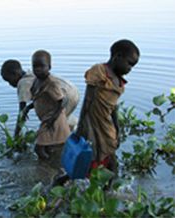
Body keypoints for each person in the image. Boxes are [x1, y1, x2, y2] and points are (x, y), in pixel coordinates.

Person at [54, 39, 140, 186]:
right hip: (92, 124)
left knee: (110, 155)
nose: (130, 69)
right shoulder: (99, 72)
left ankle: (109, 189)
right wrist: (81, 126)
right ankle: (63, 181)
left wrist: (117, 129)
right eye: (129, 64)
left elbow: (113, 107)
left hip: (107, 125)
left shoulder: (118, 82)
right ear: (117, 56)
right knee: (88, 158)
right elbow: (88, 100)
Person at [0, 60, 79, 137]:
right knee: (62, 118)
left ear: (15, 74)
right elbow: (40, 95)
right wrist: (28, 108)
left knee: (50, 126)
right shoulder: (31, 74)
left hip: (64, 97)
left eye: (9, 80)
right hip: (72, 91)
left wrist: (16, 136)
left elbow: (21, 113)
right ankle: (76, 129)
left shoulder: (23, 83)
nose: (10, 84)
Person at [21, 49, 71, 170]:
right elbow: (39, 99)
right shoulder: (36, 81)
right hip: (47, 118)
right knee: (49, 146)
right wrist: (28, 108)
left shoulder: (52, 83)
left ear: (49, 67)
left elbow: (62, 102)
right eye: (35, 66)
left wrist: (53, 118)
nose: (38, 69)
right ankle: (54, 165)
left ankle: (48, 166)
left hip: (53, 119)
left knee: (39, 147)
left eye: (41, 66)